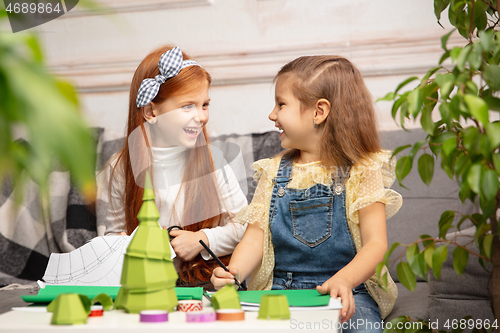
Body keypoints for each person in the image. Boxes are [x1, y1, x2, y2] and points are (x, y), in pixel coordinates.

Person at [211, 55, 402, 332]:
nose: (272, 115)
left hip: (348, 290)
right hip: (280, 291)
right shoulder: (273, 171)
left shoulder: (363, 170)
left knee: (364, 329)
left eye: (281, 104)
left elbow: (376, 245)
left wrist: (344, 280)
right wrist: (234, 271)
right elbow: (254, 238)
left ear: (318, 112)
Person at [96, 45, 248, 289]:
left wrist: (202, 239)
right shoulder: (119, 168)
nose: (201, 116)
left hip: (202, 281)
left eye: (205, 105)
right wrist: (123, 246)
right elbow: (112, 235)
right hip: (144, 286)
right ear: (151, 112)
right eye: (187, 106)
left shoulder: (213, 162)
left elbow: (246, 227)